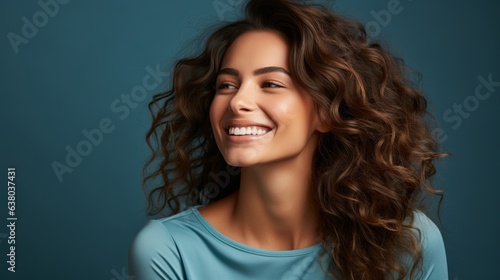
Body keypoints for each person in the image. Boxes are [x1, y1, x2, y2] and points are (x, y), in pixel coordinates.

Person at [128, 0, 449, 279]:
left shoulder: (407, 241)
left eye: (270, 84)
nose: (238, 102)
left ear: (327, 112)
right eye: (226, 85)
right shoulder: (167, 250)